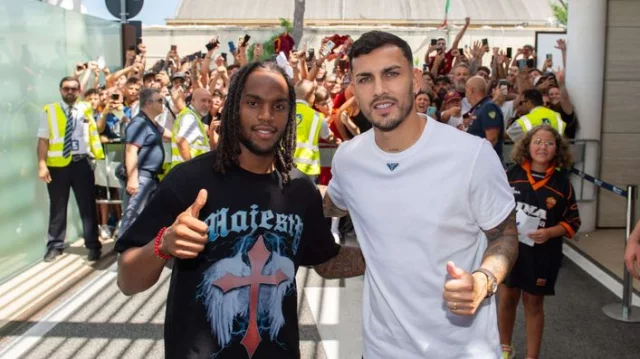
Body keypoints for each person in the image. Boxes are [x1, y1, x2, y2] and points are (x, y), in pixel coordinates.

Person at [116, 61, 365, 359]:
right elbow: (128, 281)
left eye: (278, 106)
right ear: (234, 108)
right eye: (253, 103)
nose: (265, 116)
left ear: (290, 115)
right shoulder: (189, 180)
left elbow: (325, 260)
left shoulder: (300, 191)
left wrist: (394, 256)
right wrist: (163, 244)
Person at [324, 31, 518, 358]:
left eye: (391, 74)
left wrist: (484, 281)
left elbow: (505, 234)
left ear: (415, 80)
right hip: (381, 350)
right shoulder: (348, 159)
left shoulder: (471, 155)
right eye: (365, 79)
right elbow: (331, 205)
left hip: (462, 352)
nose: (380, 89)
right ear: (353, 90)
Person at [498, 124, 580, 359]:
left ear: (557, 149)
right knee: (507, 298)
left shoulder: (562, 184)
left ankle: (531, 356)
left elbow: (573, 221)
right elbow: (495, 208)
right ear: (526, 144)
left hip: (543, 255)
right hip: (510, 251)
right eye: (537, 141)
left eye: (549, 143)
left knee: (533, 304)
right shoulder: (511, 175)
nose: (542, 147)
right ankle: (504, 348)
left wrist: (551, 232)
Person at [37, 76, 105, 262]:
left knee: (88, 206)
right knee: (57, 207)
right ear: (60, 90)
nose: (70, 91)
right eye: (66, 88)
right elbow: (43, 140)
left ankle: (93, 245)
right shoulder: (49, 110)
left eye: (74, 88)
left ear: (79, 90)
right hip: (58, 166)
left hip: (82, 163)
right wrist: (42, 165)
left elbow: (96, 128)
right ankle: (55, 245)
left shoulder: (86, 109)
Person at [118, 88, 167, 236]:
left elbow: (173, 135)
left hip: (150, 178)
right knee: (132, 219)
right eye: (159, 100)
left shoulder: (151, 123)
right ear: (148, 103)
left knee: (145, 220)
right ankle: (123, 256)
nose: (162, 103)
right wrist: (133, 179)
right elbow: (130, 151)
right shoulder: (139, 123)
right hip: (141, 178)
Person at [293, 80, 339, 182]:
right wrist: (339, 142)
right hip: (307, 169)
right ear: (308, 95)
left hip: (284, 165)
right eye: (313, 94)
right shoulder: (316, 117)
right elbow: (329, 137)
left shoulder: (284, 112)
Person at [465, 76, 505, 161]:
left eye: (466, 90)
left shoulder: (488, 107)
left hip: (487, 161)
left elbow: (492, 139)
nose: (466, 94)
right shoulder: (479, 108)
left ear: (471, 90)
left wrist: (480, 158)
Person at [170, 88, 212, 167]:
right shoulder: (190, 117)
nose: (207, 104)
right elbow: (181, 141)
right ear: (192, 101)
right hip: (187, 173)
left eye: (209, 101)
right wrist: (191, 167)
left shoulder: (192, 117)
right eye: (203, 100)